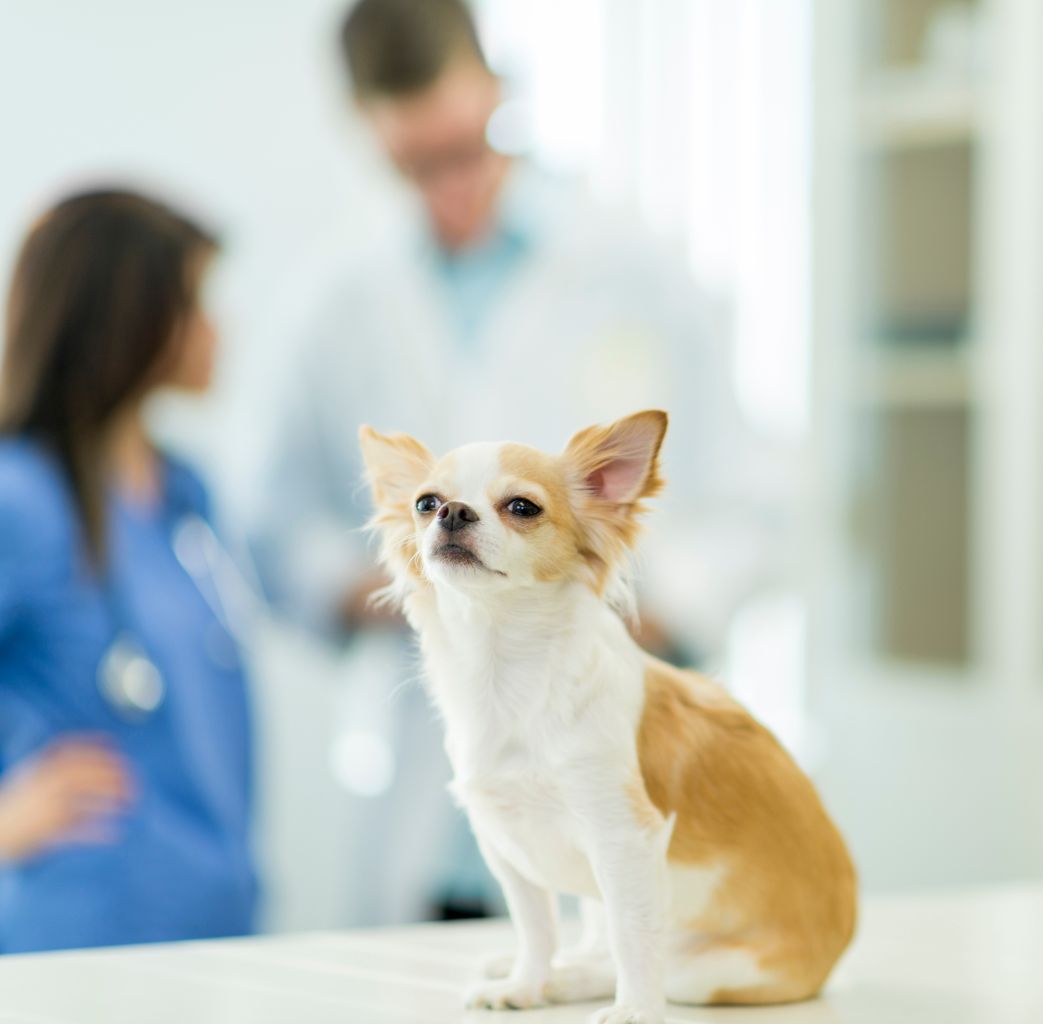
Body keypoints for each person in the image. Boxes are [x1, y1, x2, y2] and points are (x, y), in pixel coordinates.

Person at [242, 0, 748, 924]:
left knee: (617, 948)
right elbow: (276, 527)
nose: (446, 185)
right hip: (422, 775)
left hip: (609, 723)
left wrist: (630, 598)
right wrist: (408, 576)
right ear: (366, 132)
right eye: (413, 163)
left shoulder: (634, 267)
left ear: (496, 91)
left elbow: (745, 500)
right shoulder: (337, 299)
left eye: (462, 150)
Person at [0, 189, 258, 952]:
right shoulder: (22, 498)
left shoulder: (186, 495)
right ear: (129, 316)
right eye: (195, 302)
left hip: (211, 930)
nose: (218, 329)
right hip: (79, 940)